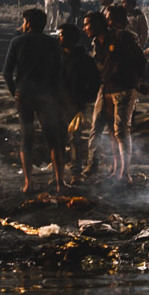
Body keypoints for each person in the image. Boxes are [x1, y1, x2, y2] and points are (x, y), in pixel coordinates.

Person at [3, 8, 69, 194]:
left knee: (27, 138)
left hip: (24, 95)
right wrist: (54, 95)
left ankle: (28, 183)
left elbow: (7, 72)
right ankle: (59, 182)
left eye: (24, 22)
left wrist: (14, 91)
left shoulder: (17, 42)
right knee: (54, 140)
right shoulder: (52, 44)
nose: (22, 25)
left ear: (29, 23)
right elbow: (58, 73)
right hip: (46, 96)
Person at [82, 7, 146, 184]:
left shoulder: (122, 37)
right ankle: (116, 170)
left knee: (121, 131)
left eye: (87, 25)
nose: (84, 28)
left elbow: (140, 60)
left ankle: (125, 174)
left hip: (124, 88)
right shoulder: (98, 42)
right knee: (108, 130)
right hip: (107, 88)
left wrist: (135, 82)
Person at [57, 22, 100, 184]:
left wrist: (85, 99)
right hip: (58, 104)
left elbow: (95, 82)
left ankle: (76, 173)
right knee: (59, 139)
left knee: (75, 139)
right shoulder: (58, 57)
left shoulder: (83, 60)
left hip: (75, 105)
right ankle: (59, 174)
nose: (58, 38)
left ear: (70, 38)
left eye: (61, 35)